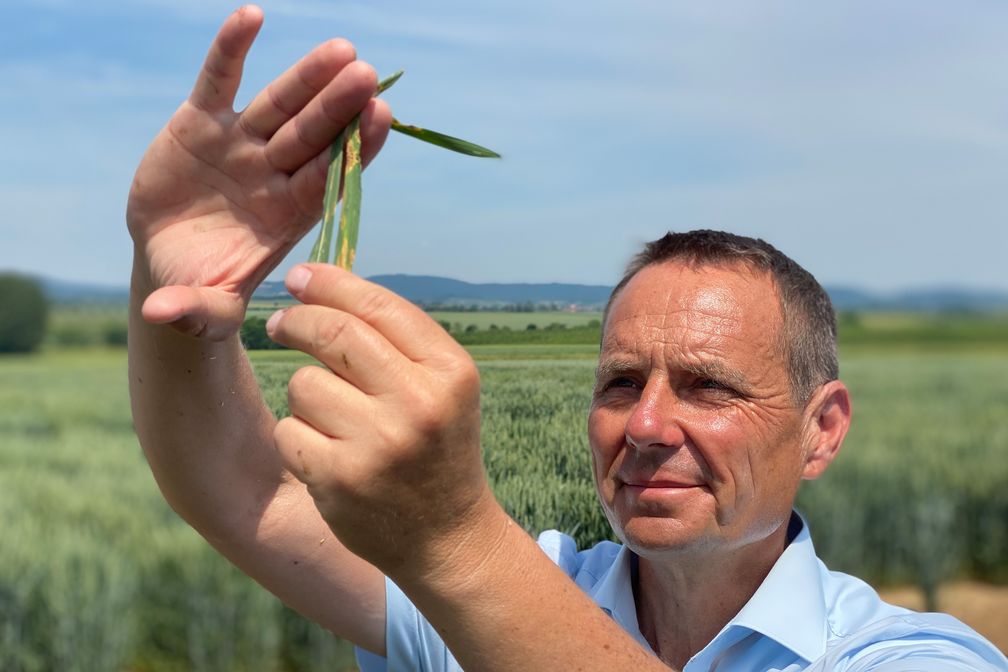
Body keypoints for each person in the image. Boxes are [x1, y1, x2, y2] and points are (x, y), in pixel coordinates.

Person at [127, 6, 1007, 671]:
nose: (649, 426)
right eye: (621, 383)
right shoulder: (520, 587)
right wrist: (173, 287)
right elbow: (256, 497)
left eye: (709, 386)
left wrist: (453, 540)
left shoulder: (911, 654)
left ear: (822, 429)